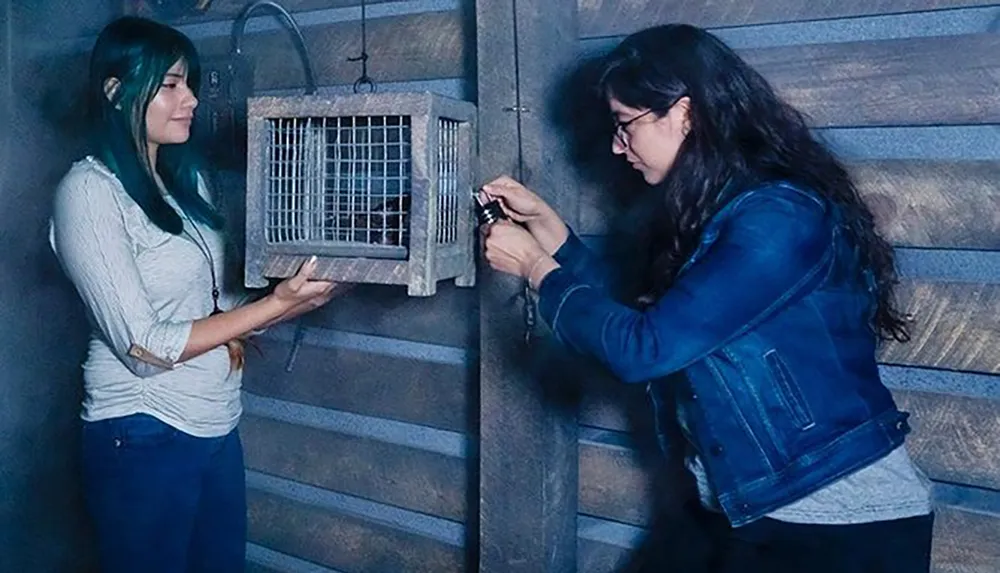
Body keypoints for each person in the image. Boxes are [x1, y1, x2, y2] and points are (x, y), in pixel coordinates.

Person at [480, 23, 933, 573]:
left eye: (626, 125)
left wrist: (535, 268)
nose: (616, 146)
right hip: (744, 504)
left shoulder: (780, 219)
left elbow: (644, 348)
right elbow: (661, 317)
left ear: (685, 112)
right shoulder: (723, 207)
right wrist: (552, 235)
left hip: (838, 519)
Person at [49, 17, 344, 573]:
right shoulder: (88, 192)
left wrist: (294, 296)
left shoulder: (188, 185)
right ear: (116, 93)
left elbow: (217, 311)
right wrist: (275, 304)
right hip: (142, 431)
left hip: (215, 424)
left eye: (190, 84)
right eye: (171, 85)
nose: (191, 99)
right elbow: (143, 346)